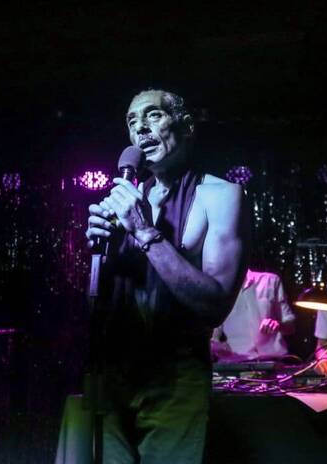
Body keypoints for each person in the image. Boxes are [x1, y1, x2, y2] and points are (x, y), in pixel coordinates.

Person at [84, 89, 248, 463]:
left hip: (176, 378)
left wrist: (144, 231)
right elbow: (94, 307)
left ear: (186, 126)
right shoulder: (124, 200)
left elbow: (215, 306)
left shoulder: (222, 196)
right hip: (112, 375)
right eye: (131, 121)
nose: (140, 127)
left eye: (153, 115)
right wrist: (95, 253)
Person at [211, 269, 295, 362]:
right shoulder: (219, 290)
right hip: (238, 362)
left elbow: (291, 327)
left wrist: (278, 325)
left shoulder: (270, 280)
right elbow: (212, 340)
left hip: (274, 361)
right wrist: (217, 347)